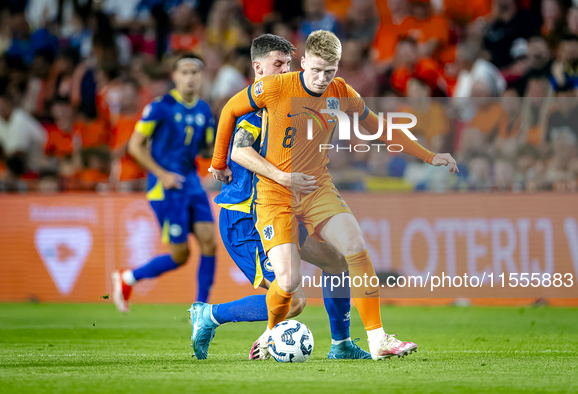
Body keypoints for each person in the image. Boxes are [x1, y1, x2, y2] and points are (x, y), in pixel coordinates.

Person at [211, 30, 458, 361]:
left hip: (315, 187)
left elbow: (380, 128)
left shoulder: (341, 92)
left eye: (330, 71)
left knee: (353, 246)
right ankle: (271, 332)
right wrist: (217, 163)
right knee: (288, 282)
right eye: (315, 70)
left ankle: (377, 339)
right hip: (275, 194)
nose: (321, 78)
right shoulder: (275, 87)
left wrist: (430, 156)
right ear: (303, 63)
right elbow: (229, 109)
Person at [189, 34, 370, 361]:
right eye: (278, 64)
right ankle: (210, 315)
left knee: (337, 261)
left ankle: (341, 345)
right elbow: (240, 149)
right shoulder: (254, 113)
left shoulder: (293, 100)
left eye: (288, 64)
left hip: (283, 211)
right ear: (258, 68)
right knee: (295, 299)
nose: (286, 70)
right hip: (246, 218)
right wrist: (223, 164)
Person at [111, 53, 217, 312]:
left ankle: (201, 309)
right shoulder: (161, 106)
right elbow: (136, 146)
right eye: (185, 72)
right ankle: (128, 278)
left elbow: (205, 149)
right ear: (175, 76)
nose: (190, 78)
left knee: (210, 243)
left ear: (201, 77)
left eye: (195, 73)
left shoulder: (204, 110)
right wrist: (162, 173)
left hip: (192, 184)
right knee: (180, 256)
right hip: (166, 188)